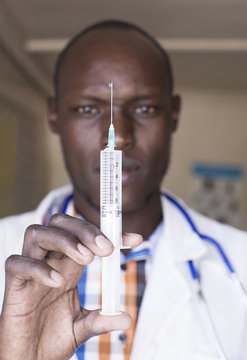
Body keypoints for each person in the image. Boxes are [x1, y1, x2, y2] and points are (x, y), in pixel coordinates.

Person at [1, 19, 247, 360]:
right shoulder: (5, 249)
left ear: (173, 115)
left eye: (145, 108)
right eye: (87, 109)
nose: (118, 137)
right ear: (54, 116)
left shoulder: (241, 262)